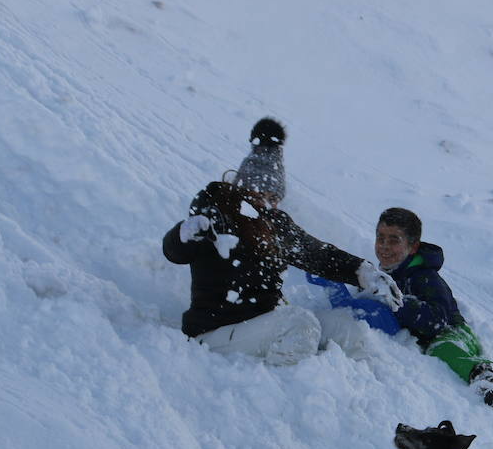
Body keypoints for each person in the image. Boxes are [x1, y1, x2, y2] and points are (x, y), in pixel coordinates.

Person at [162, 118, 402, 365]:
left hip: (265, 326)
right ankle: (279, 391)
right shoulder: (216, 216)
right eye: (261, 195)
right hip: (216, 330)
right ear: (244, 190)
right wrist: (183, 234)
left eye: (274, 197)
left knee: (345, 328)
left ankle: (356, 392)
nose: (268, 203)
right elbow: (175, 252)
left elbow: (315, 254)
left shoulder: (274, 224)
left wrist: (361, 271)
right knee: (300, 325)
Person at [312, 207, 493, 410]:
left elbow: (438, 319)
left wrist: (398, 302)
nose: (384, 246)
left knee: (442, 349)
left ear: (413, 246)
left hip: (453, 333)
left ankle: (489, 381)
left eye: (393, 240)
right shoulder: (387, 274)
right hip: (423, 334)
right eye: (380, 238)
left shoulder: (425, 277)